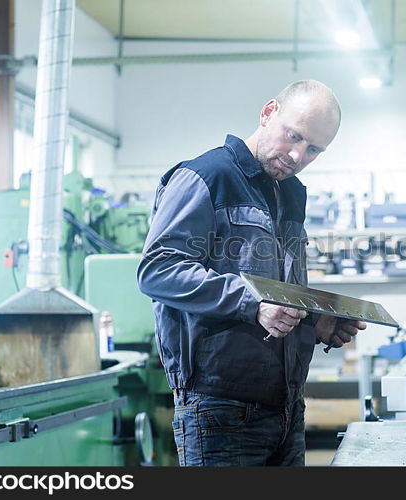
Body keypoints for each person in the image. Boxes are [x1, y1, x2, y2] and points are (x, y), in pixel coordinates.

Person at [137, 80, 366, 466]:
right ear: (267, 113)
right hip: (219, 409)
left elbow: (283, 293)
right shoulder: (206, 177)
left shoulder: (291, 192)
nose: (296, 155)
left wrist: (313, 322)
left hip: (287, 407)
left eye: (313, 149)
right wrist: (252, 301)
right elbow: (158, 270)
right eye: (293, 136)